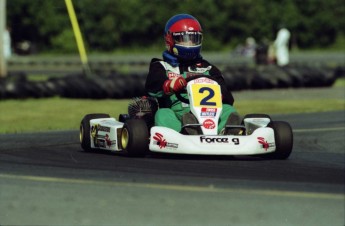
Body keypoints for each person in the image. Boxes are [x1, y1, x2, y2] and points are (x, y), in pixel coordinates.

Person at [145, 14, 240, 135]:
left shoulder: (209, 68)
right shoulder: (162, 66)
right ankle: (185, 131)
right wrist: (170, 85)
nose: (189, 43)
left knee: (229, 110)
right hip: (178, 113)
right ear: (170, 40)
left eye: (193, 39)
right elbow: (151, 88)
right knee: (162, 114)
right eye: (184, 39)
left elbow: (227, 98)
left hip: (210, 113)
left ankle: (226, 131)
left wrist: (220, 94)